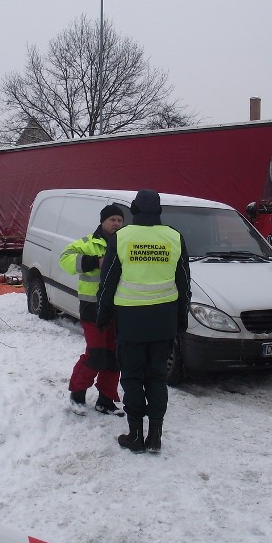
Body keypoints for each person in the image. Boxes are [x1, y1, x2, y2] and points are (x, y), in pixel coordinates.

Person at [97, 189, 191, 454]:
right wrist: (181, 317)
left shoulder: (121, 237)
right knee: (157, 377)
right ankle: (156, 437)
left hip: (130, 320)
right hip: (164, 319)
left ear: (134, 211)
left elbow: (108, 280)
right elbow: (184, 282)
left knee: (133, 377)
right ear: (158, 211)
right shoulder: (175, 237)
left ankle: (136, 436)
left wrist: (103, 313)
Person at [59, 204, 125, 416]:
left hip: (118, 307)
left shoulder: (126, 243)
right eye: (112, 219)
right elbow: (65, 260)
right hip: (92, 307)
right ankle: (77, 394)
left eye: (119, 220)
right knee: (96, 355)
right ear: (102, 222)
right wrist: (94, 261)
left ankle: (106, 400)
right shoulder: (88, 243)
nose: (116, 223)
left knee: (114, 356)